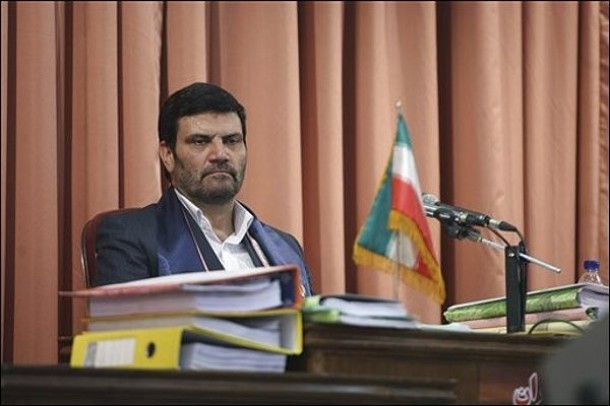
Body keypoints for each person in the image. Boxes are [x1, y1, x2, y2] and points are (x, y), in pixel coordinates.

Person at [94, 82, 314, 296]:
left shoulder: (285, 247)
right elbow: (125, 321)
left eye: (232, 141)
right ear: (168, 155)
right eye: (200, 141)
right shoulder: (131, 236)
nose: (220, 154)